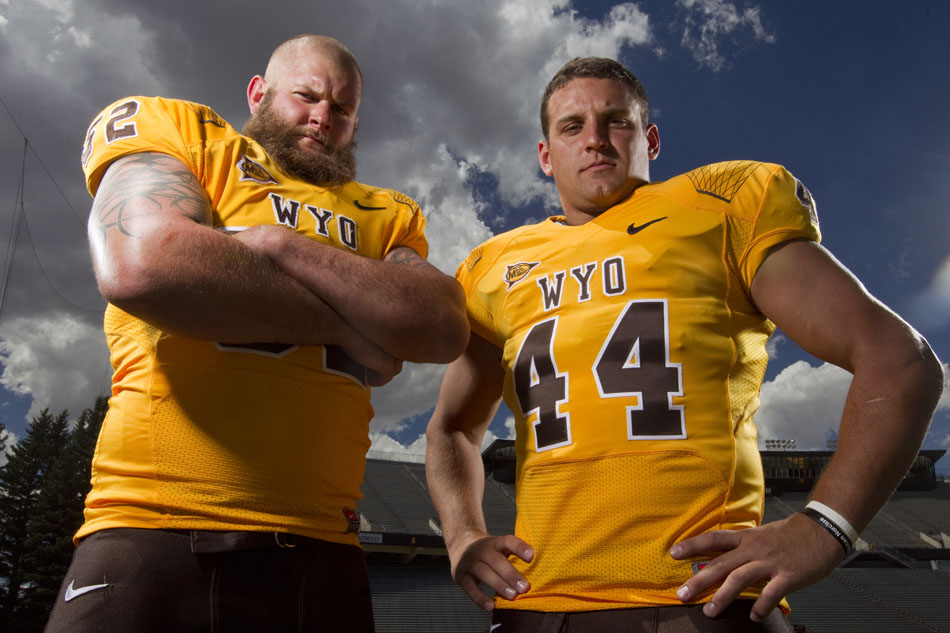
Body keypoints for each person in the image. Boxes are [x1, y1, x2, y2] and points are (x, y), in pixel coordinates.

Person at [425, 57, 944, 632]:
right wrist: (462, 536)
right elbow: (452, 427)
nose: (594, 140)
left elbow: (901, 360)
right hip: (536, 602)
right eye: (572, 126)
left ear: (649, 139)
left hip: (698, 602)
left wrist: (826, 527)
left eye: (615, 121)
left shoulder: (720, 206)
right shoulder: (495, 266)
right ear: (545, 156)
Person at [46, 34, 469, 633]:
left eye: (344, 109)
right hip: (154, 524)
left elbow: (441, 326)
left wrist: (278, 244)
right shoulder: (188, 137)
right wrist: (362, 329)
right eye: (307, 96)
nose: (324, 117)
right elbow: (143, 264)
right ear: (258, 93)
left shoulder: (386, 211)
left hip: (323, 545)